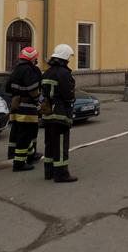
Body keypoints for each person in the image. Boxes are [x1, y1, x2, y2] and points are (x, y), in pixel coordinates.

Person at [41, 44, 78, 182]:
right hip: (60, 114)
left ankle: (49, 172)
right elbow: (68, 94)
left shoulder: (47, 72)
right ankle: (61, 174)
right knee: (61, 145)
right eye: (69, 57)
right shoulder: (63, 73)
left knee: (49, 144)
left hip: (48, 113)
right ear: (65, 57)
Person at [6, 46, 42, 171]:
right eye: (35, 59)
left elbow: (7, 88)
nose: (36, 61)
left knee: (20, 132)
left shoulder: (16, 70)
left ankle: (30, 154)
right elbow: (33, 90)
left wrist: (17, 95)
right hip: (27, 109)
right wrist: (39, 101)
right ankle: (19, 163)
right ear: (32, 59)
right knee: (26, 135)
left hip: (17, 107)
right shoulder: (29, 70)